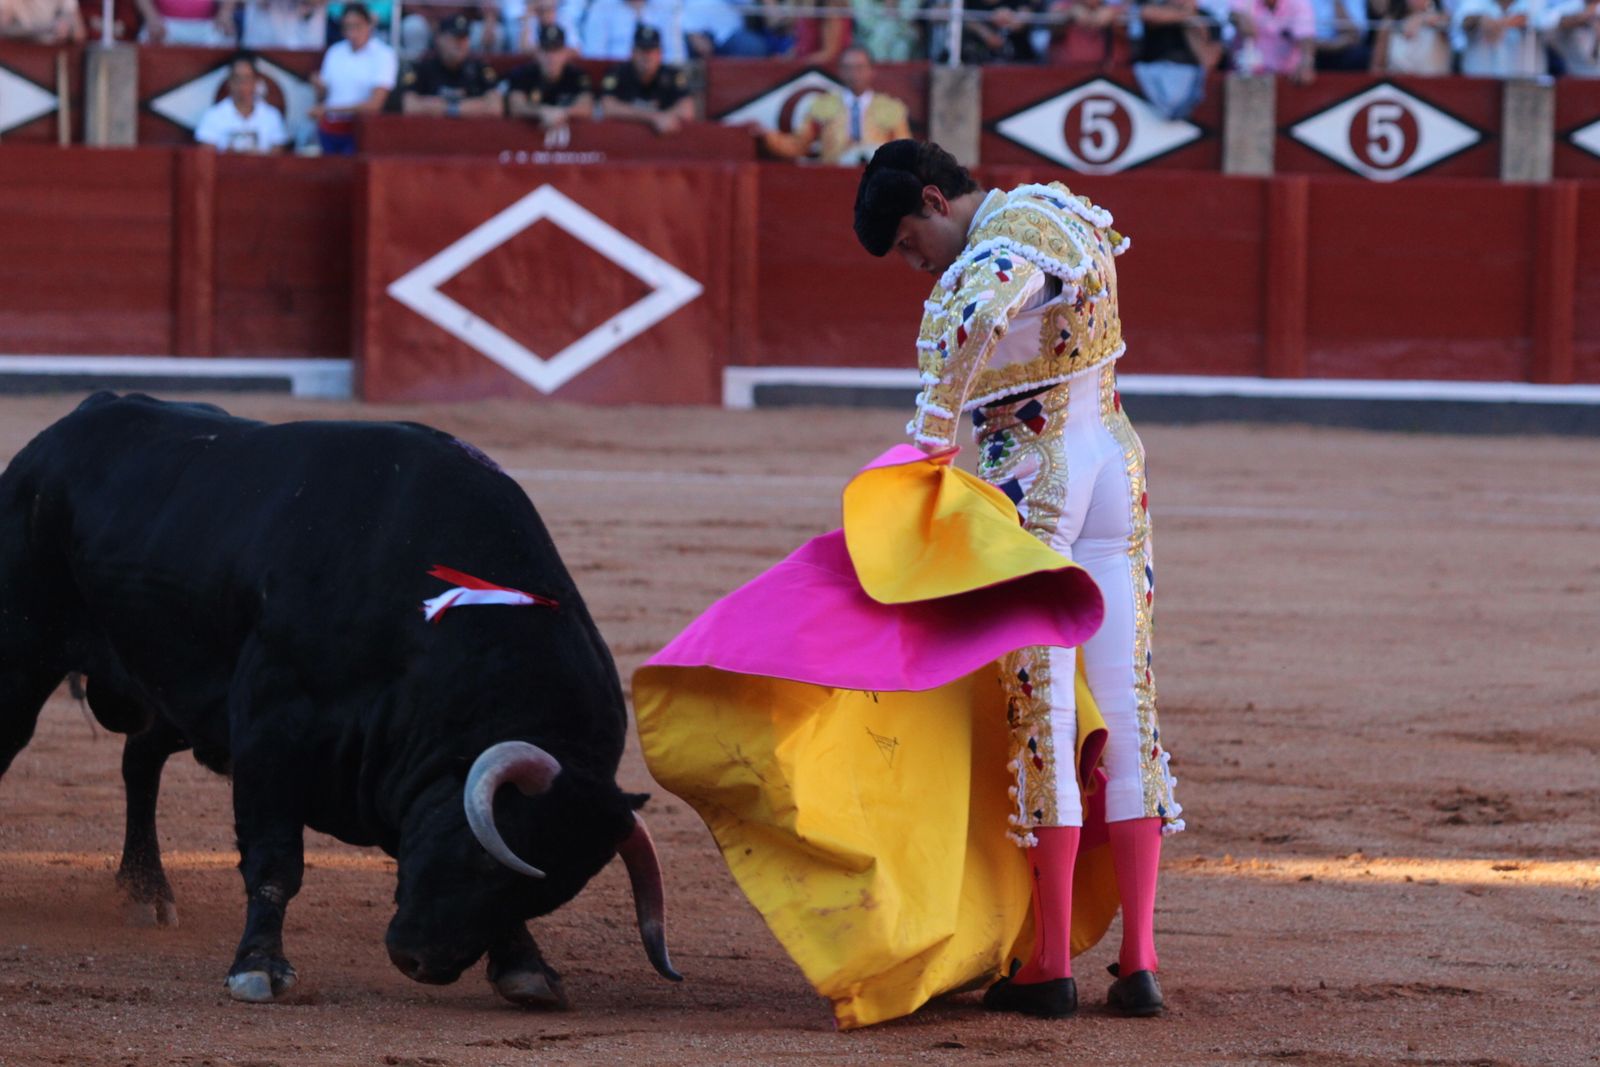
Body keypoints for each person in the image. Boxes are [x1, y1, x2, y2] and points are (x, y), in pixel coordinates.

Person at [852, 139, 1182, 1018]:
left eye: (910, 243)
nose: (915, 264)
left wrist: (930, 432)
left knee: (1049, 710)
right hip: (1115, 460)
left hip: (1035, 479)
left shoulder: (1007, 238)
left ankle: (1049, 963)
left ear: (934, 197)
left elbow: (995, 293)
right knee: (1127, 701)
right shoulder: (1062, 207)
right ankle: (1140, 959)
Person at [757, 44, 911, 165]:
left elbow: (904, 152)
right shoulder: (823, 106)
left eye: (859, 68)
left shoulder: (891, 108)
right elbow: (799, 144)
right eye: (848, 68)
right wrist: (769, 138)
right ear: (841, 71)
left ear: (871, 71)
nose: (854, 74)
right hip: (834, 178)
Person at [311, 1, 397, 154]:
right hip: (330, 129)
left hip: (362, 130)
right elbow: (323, 96)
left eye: (357, 26)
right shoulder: (335, 52)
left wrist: (329, 109)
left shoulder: (384, 55)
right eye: (347, 27)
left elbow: (375, 104)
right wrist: (318, 87)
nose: (352, 32)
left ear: (369, 24)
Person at [397, 12, 503, 117]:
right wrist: (474, 106)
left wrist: (449, 108)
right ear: (438, 39)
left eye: (464, 38)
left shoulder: (480, 68)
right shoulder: (422, 67)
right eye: (454, 38)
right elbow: (409, 106)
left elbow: (495, 107)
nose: (460, 44)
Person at [598, 24, 694, 135]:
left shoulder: (672, 75)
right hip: (623, 138)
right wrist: (654, 117)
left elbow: (687, 110)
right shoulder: (618, 73)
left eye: (651, 51)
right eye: (642, 50)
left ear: (660, 54)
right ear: (632, 52)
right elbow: (607, 107)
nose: (647, 56)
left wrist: (665, 117)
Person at [503, 22, 595, 128]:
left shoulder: (577, 75)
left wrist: (562, 113)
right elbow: (515, 106)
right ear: (538, 52)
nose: (551, 57)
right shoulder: (522, 74)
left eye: (556, 50)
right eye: (546, 50)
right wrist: (542, 111)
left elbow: (587, 107)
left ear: (565, 52)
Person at [194, 51, 290, 153]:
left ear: (255, 82)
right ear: (229, 82)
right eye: (237, 79)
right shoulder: (213, 116)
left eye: (247, 79)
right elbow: (207, 158)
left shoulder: (271, 116)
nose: (242, 85)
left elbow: (277, 158)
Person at [1453, 0, 1553, 76]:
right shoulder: (1474, 2)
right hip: (1479, 86)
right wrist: (1480, 21)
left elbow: (1548, 22)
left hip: (1526, 88)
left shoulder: (1536, 3)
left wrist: (1501, 23)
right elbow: (1464, 20)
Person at [1230, 0, 1317, 80]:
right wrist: (1240, 20)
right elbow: (1234, 13)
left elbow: (1306, 37)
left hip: (1286, 77)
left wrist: (1306, 62)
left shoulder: (1298, 3)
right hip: (1247, 76)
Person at [1370, 0, 1452, 74]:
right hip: (1398, 84)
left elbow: (1446, 21)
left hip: (1434, 85)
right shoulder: (1390, 23)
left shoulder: (1442, 21)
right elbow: (1377, 66)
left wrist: (1421, 18)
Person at [1547, 0, 1600, 76]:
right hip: (1575, 74)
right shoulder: (1570, 7)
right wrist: (1587, 16)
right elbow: (1555, 24)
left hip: (1592, 73)